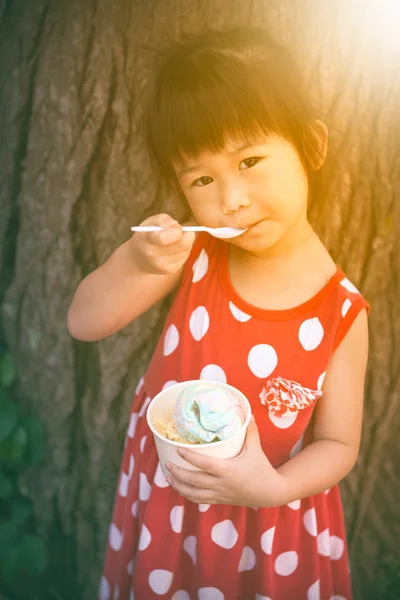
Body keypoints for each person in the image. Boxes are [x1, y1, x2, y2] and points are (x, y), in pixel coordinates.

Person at [67, 26, 370, 600]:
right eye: (202, 179)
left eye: (250, 159)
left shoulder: (341, 312)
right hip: (169, 504)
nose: (230, 198)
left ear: (311, 146)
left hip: (269, 524)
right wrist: (138, 261)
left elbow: (339, 445)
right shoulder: (193, 253)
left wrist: (272, 489)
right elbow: (84, 322)